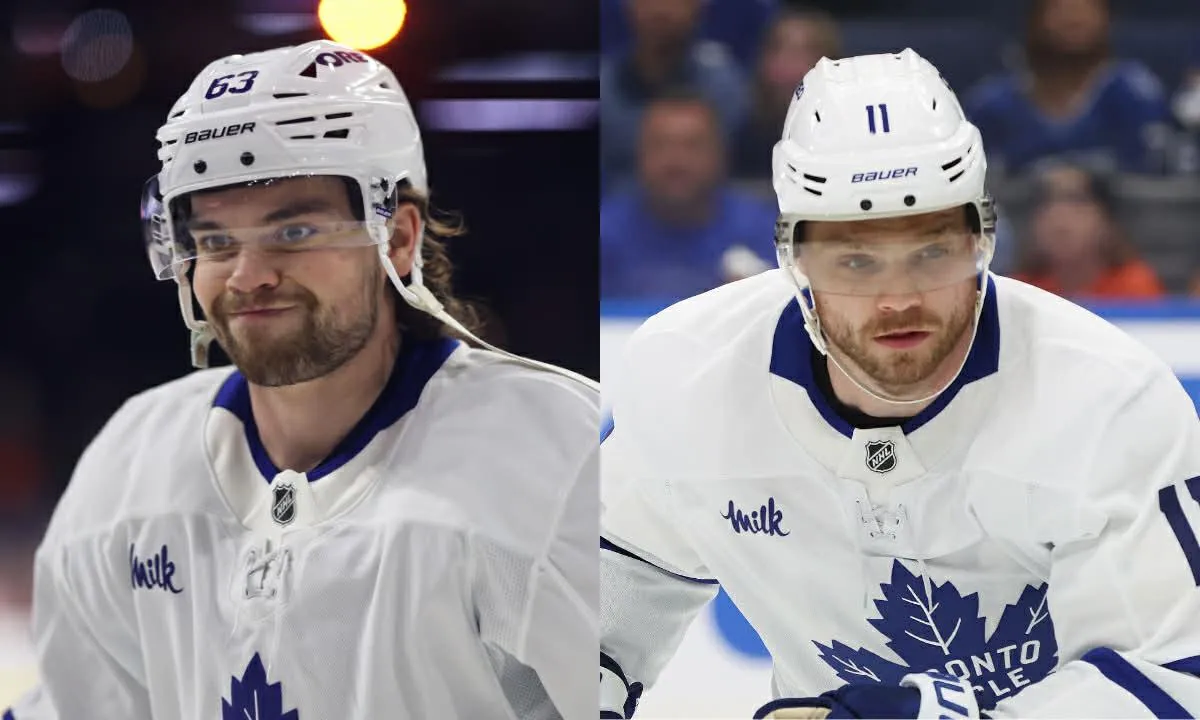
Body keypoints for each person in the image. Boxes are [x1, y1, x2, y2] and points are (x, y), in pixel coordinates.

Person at [5, 40, 599, 720]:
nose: (246, 275)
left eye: (293, 234)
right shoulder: (132, 461)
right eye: (216, 242)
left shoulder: (555, 454)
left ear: (398, 238)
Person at [600, 48, 1200, 719]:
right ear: (794, 259)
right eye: (855, 259)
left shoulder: (1108, 403)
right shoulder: (689, 376)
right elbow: (599, 594)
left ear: (981, 241)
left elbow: (1177, 680)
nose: (897, 300)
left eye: (930, 252)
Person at [966, 0, 1181, 177]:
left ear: (1107, 17)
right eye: (1059, 6)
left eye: (1087, 6)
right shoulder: (991, 106)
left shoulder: (1137, 96)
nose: (1074, 17)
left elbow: (1158, 183)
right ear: (1034, 18)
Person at [602, 91, 776, 300]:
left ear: (721, 156)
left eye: (693, 145)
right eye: (660, 145)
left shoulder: (767, 235)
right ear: (639, 155)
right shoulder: (605, 234)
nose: (676, 161)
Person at [1014, 164, 1164, 299]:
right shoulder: (1018, 290)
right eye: (1047, 202)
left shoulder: (1135, 287)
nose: (1059, 215)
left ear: (1106, 220)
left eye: (1076, 201)